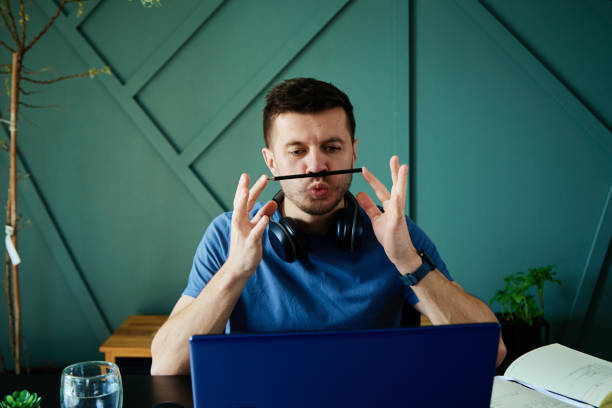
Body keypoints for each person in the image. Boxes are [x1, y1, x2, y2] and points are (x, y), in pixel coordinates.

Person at [150, 78, 506, 375]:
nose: (316, 165)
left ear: (353, 153)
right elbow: (166, 364)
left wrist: (409, 262)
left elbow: (493, 351)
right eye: (296, 151)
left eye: (331, 147)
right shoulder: (231, 234)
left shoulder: (395, 233)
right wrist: (235, 271)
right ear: (271, 161)